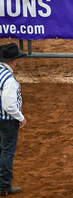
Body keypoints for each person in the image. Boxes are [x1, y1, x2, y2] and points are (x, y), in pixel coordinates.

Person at [0, 43, 27, 196]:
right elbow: (9, 105)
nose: (17, 61)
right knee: (7, 152)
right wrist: (21, 117)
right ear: (11, 61)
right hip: (7, 120)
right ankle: (4, 185)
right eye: (16, 59)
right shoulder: (9, 79)